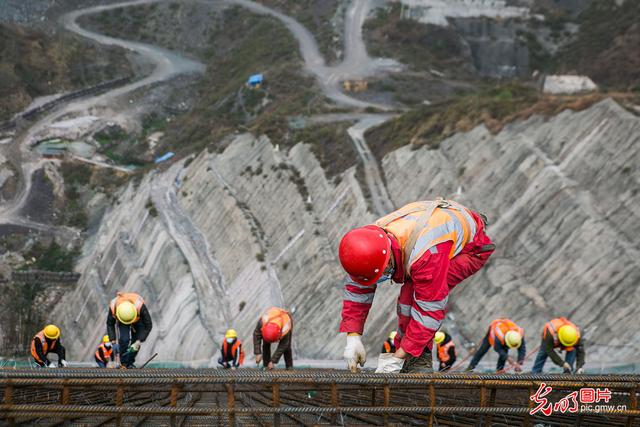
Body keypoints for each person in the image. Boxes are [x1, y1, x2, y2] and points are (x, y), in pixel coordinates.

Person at [338, 199, 495, 373]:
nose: (382, 278)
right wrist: (353, 338)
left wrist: (397, 358)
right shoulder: (368, 242)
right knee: (410, 295)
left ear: (389, 258)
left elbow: (430, 312)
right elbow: (357, 288)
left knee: (412, 295)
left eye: (383, 273)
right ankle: (409, 356)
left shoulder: (426, 255)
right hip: (441, 227)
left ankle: (418, 361)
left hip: (472, 248)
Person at [106, 292, 152, 368]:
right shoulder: (114, 307)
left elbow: (148, 325)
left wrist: (139, 341)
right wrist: (113, 341)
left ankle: (130, 362)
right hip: (122, 319)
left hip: (137, 318)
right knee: (124, 339)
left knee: (136, 340)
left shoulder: (140, 306)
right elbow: (110, 324)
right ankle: (123, 364)